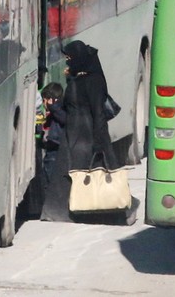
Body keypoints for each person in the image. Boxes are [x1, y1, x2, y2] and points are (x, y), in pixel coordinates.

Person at [40, 40, 121, 223]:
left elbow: (98, 112)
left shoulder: (94, 81)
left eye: (70, 58)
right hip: (73, 135)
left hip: (89, 135)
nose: (68, 62)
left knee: (94, 173)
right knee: (71, 175)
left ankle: (97, 210)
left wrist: (100, 141)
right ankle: (68, 210)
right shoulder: (78, 79)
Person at [40, 82, 65, 185]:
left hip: (56, 149)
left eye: (44, 100)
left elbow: (64, 119)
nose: (43, 103)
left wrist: (52, 107)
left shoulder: (59, 110)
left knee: (50, 181)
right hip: (53, 148)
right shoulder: (55, 111)